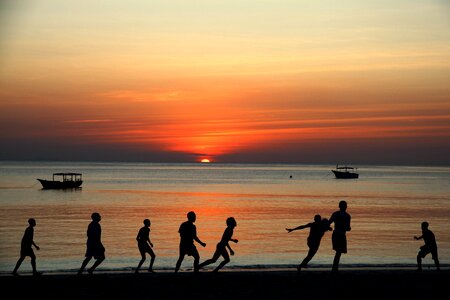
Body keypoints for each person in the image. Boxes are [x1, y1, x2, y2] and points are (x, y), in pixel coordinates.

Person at [328, 200, 351, 273]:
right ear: (346, 207)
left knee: (338, 252)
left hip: (335, 234)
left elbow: (329, 222)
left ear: (339, 206)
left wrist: (328, 228)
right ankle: (334, 268)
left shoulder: (335, 214)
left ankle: (335, 268)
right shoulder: (347, 216)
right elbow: (348, 228)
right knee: (339, 252)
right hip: (341, 235)